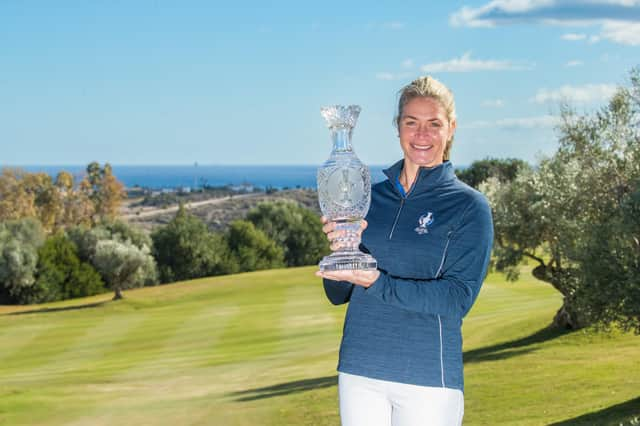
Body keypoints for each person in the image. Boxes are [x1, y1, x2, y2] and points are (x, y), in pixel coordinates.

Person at [315, 75, 494, 426]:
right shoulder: (369, 197)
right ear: (398, 127)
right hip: (359, 370)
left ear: (451, 129)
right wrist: (340, 255)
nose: (422, 134)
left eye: (434, 124)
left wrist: (376, 281)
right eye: (411, 122)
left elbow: (457, 298)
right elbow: (339, 294)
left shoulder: (468, 206)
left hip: (428, 379)